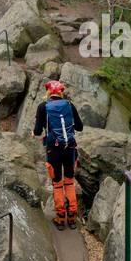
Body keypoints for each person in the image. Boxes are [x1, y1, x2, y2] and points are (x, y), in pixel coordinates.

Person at [33, 79, 83, 229]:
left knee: (57, 183)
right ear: (61, 92)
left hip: (53, 150)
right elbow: (79, 127)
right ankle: (72, 218)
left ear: (48, 92)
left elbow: (37, 131)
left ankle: (61, 219)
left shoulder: (43, 107)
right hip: (70, 149)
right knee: (69, 182)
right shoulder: (69, 105)